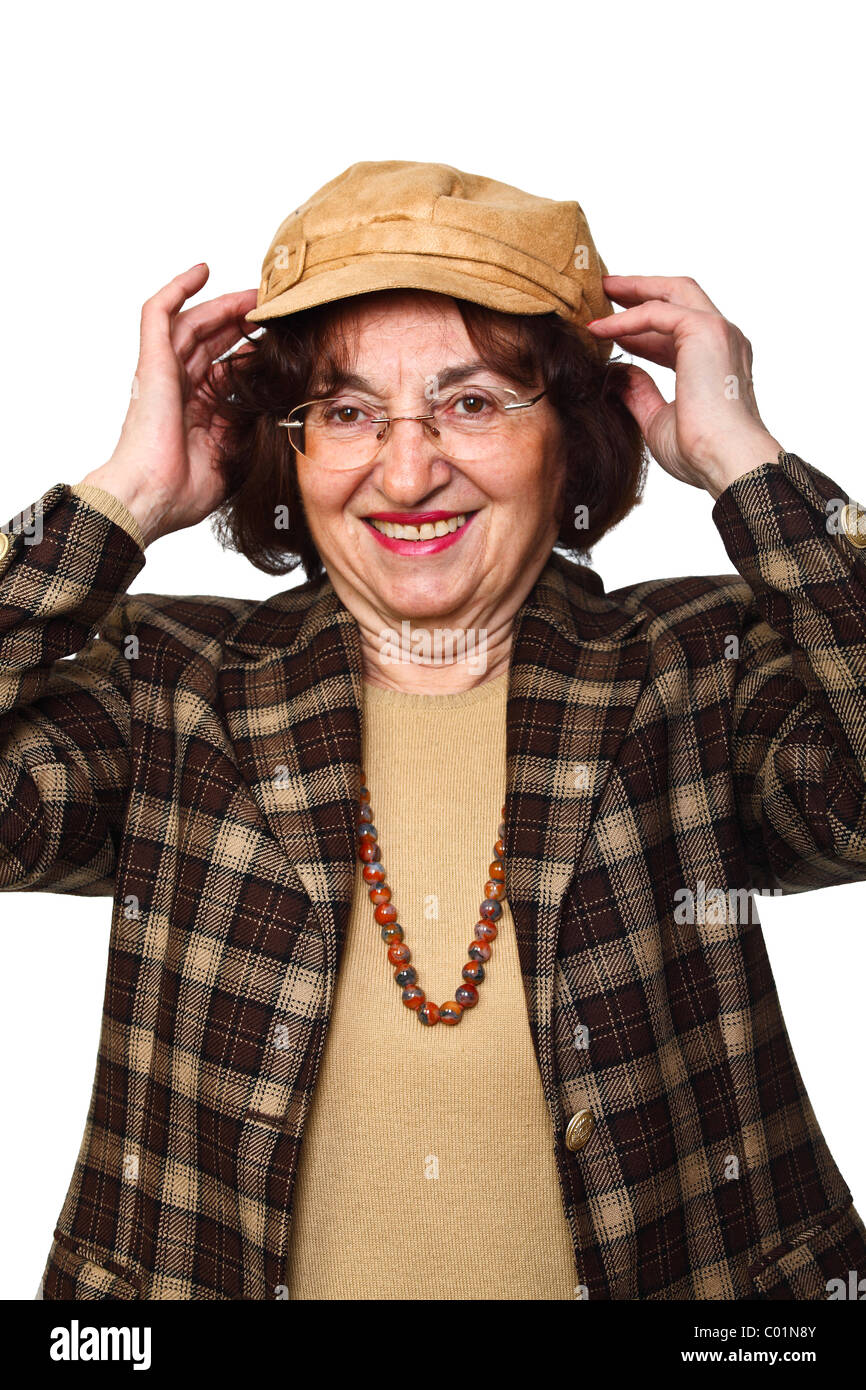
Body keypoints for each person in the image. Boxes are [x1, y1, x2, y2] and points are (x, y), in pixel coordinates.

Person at [3, 161, 865, 1301]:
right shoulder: (172, 685)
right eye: (349, 413)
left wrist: (745, 464)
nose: (406, 473)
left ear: (572, 432)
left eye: (470, 403)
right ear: (290, 448)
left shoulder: (691, 669)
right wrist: (119, 495)